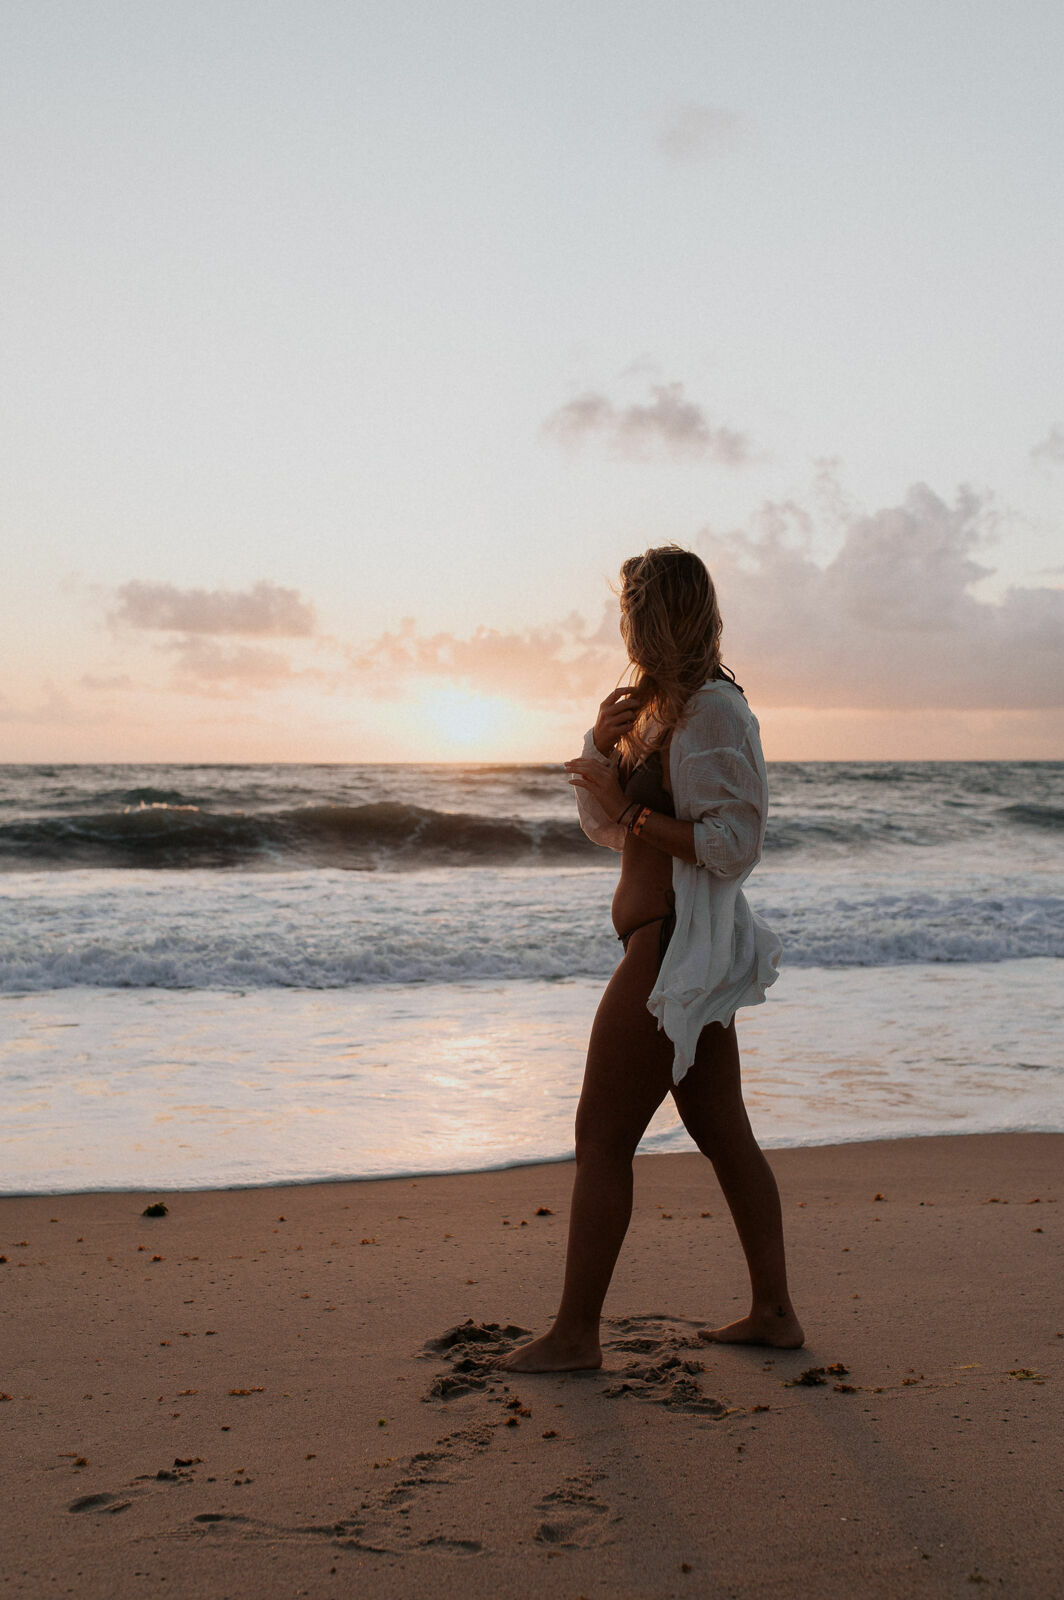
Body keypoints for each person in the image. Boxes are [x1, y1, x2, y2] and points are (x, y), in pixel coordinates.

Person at [500, 545, 803, 1374]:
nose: (624, 621)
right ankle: (774, 1313)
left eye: (631, 606)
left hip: (671, 953)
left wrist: (628, 810)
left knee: (601, 1140)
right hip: (666, 945)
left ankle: (574, 1335)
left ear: (653, 613)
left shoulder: (711, 714)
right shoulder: (660, 708)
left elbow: (732, 845)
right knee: (723, 1133)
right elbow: (607, 826)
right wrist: (601, 753)